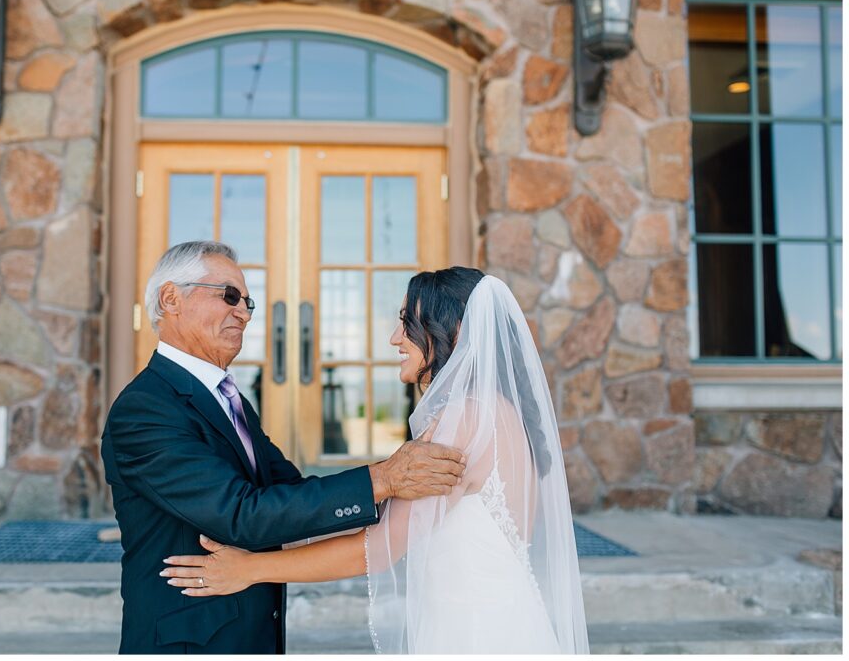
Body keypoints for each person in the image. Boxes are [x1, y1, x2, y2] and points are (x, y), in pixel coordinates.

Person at [160, 267, 589, 654]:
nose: (395, 338)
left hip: (474, 634)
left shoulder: (465, 419)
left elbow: (379, 548)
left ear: (452, 331)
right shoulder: (499, 412)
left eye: (407, 323)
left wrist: (250, 569)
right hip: (508, 621)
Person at [100, 241, 467, 654]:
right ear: (171, 299)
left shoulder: (229, 399)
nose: (243, 312)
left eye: (247, 301)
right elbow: (240, 514)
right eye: (230, 296)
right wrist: (383, 479)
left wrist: (391, 488)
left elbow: (290, 495)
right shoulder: (145, 409)